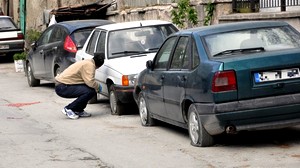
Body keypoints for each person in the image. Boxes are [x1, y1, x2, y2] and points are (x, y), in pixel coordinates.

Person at [55, 53, 104, 119]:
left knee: (90, 90)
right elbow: (90, 81)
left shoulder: (87, 62)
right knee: (90, 91)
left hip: (62, 85)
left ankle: (78, 110)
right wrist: (98, 87)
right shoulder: (90, 65)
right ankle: (69, 108)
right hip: (62, 87)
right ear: (99, 66)